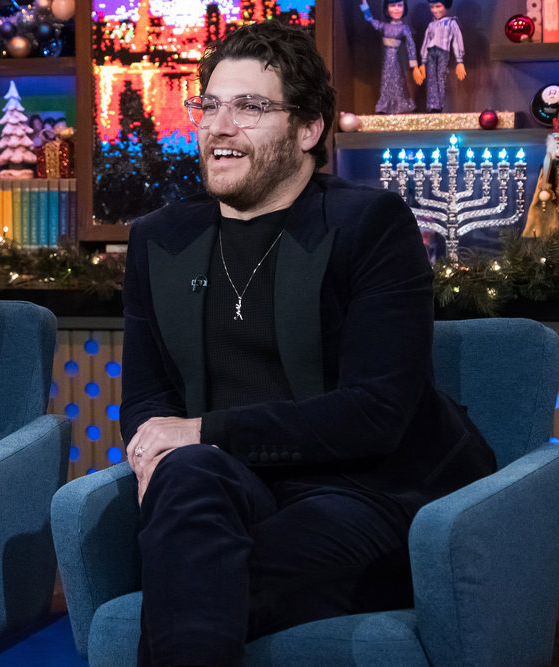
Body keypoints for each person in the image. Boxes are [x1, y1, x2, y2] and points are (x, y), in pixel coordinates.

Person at [121, 20, 495, 666]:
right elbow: (149, 402)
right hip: (233, 487)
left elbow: (375, 414)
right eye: (209, 104)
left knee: (194, 581)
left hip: (367, 488)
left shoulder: (369, 225)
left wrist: (207, 430)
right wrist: (186, 445)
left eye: (249, 106)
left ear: (308, 129)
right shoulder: (161, 237)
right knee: (186, 481)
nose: (219, 125)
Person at [359, 0, 419, 114]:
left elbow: (411, 45)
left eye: (399, 6)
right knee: (386, 81)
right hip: (387, 60)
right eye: (393, 6)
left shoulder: (404, 28)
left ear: (404, 7)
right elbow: (369, 19)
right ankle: (385, 106)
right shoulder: (384, 26)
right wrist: (364, 4)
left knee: (398, 81)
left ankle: (400, 105)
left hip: (396, 60)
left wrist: (414, 64)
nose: (396, 9)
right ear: (387, 8)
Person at [417, 0, 466, 113]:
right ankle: (432, 105)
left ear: (446, 6)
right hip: (431, 53)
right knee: (431, 79)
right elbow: (426, 42)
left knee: (441, 77)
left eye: (438, 6)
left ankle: (440, 105)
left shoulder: (451, 22)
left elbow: (457, 41)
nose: (435, 10)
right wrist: (423, 62)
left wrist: (460, 61)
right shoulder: (431, 25)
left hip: (443, 52)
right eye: (432, 7)